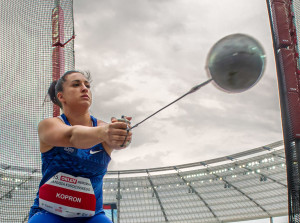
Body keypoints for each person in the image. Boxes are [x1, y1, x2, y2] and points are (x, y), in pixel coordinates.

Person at [28, 70, 132, 223]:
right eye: (76, 85)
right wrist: (105, 132)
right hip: (48, 213)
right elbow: (71, 136)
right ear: (61, 96)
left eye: (87, 85)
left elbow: (118, 143)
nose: (84, 88)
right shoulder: (48, 125)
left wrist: (123, 136)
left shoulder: (105, 128)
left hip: (92, 216)